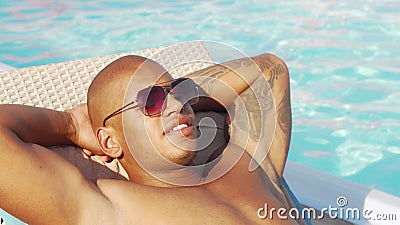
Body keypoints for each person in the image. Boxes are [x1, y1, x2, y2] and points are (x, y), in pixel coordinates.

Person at [0, 53, 308, 225]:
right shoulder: (109, 209)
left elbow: (269, 69)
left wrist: (180, 93)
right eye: (151, 100)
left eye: (177, 93)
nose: (176, 105)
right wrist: (69, 124)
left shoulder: (244, 160)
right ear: (109, 141)